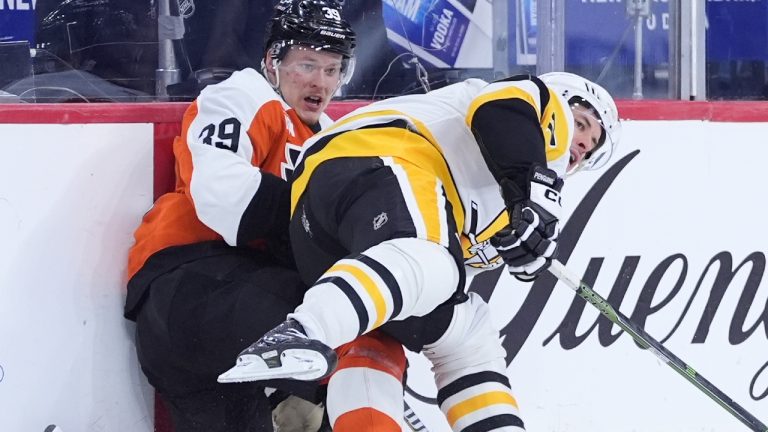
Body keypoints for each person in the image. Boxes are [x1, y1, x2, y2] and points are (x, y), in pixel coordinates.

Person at [218, 71, 622, 431]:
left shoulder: (501, 210)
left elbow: (434, 288)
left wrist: (520, 231)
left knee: (465, 335)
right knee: (434, 262)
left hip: (327, 240)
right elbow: (501, 113)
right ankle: (302, 332)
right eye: (582, 124)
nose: (581, 142)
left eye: (588, 149)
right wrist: (532, 196)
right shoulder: (531, 100)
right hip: (376, 159)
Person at [124, 1, 408, 431]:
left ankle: (303, 403)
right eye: (308, 65)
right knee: (362, 328)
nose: (321, 82)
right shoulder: (242, 95)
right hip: (189, 282)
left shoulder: (330, 136)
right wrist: (324, 232)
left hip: (228, 320)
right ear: (273, 62)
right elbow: (222, 197)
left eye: (333, 71)